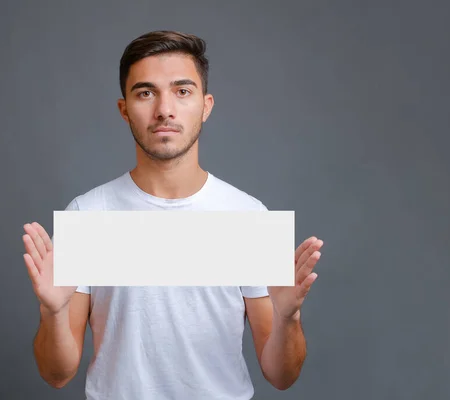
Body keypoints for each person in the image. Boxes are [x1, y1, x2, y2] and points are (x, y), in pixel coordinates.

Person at [22, 30, 324, 400]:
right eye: (145, 92)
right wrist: (53, 313)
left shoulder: (249, 217)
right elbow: (56, 375)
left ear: (206, 105)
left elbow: (281, 376)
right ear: (124, 109)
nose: (164, 109)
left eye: (182, 91)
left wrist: (289, 318)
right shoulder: (87, 214)